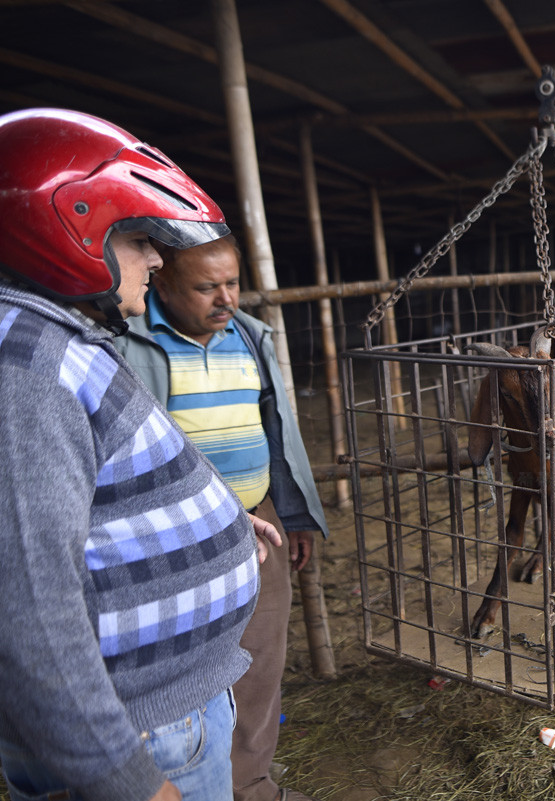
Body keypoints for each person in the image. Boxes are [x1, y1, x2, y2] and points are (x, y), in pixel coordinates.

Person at [0, 108, 282, 801]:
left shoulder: (53, 344)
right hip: (144, 735)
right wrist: (125, 779)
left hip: (160, 713)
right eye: (136, 239)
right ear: (66, 230)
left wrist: (210, 522)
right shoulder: (27, 373)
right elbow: (27, 605)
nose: (155, 259)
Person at [117, 235, 328, 801]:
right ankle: (187, 782)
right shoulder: (129, 343)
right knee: (186, 670)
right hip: (175, 540)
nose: (227, 297)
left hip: (258, 523)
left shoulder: (250, 337)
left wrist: (293, 511)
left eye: (232, 282)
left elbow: (279, 434)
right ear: (161, 282)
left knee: (261, 660)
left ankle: (251, 784)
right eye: (206, 286)